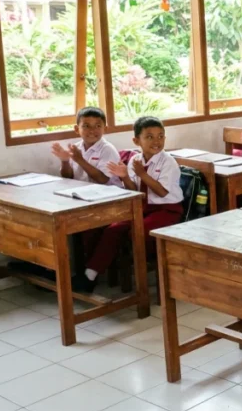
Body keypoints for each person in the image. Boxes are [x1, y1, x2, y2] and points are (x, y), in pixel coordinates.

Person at [76, 117, 183, 292]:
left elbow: (162, 192)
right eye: (149, 137)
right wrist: (125, 176)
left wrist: (142, 174)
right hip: (142, 207)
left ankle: (145, 275)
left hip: (166, 209)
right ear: (136, 140)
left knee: (138, 232)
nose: (156, 141)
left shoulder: (168, 161)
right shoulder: (136, 160)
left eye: (160, 136)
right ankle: (89, 275)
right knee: (112, 229)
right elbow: (135, 191)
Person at [51, 106, 122, 187]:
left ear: (105, 129)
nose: (92, 130)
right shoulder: (75, 148)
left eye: (98, 126)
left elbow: (103, 180)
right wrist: (65, 161)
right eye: (86, 126)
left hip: (109, 193)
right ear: (77, 129)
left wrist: (80, 160)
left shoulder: (107, 149)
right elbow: (67, 177)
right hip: (83, 191)